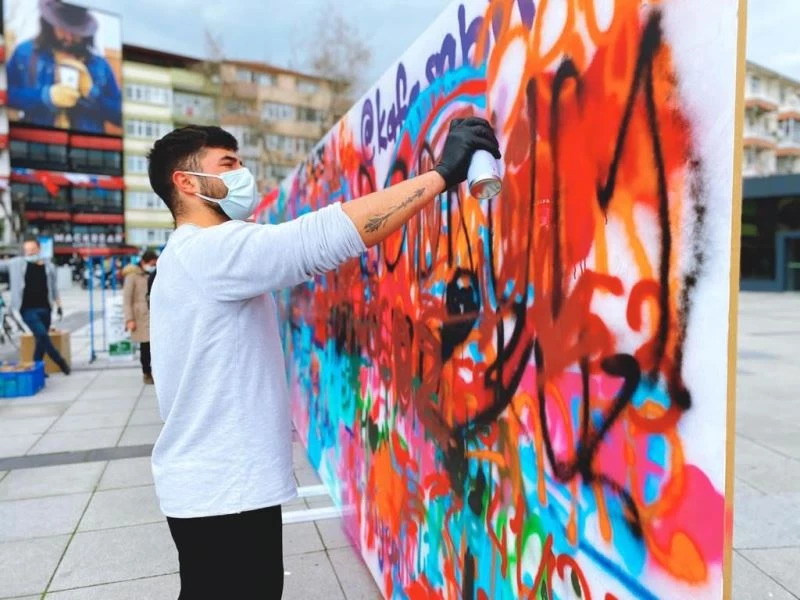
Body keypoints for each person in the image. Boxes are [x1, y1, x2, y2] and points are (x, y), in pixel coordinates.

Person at [147, 121, 500, 598]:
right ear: (186, 182)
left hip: (217, 487)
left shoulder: (190, 255)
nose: (242, 174)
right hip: (222, 492)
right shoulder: (208, 251)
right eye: (227, 164)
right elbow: (318, 239)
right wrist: (439, 176)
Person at [6, 0, 122, 133]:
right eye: (63, 27)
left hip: (87, 145)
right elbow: (7, 95)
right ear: (50, 24)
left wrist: (92, 94)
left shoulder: (100, 66)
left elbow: (120, 116)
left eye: (75, 30)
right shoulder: (25, 53)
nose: (69, 37)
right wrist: (46, 97)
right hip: (36, 142)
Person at [0, 237, 70, 374]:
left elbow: (54, 289)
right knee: (42, 335)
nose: (30, 252)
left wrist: (59, 306)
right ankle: (60, 361)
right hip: (26, 309)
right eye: (27, 250)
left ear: (39, 249)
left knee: (40, 341)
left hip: (46, 308)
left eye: (32, 249)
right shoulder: (16, 263)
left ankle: (38, 370)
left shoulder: (49, 267)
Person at [123, 251, 157, 385]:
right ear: (144, 262)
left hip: (153, 313)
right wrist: (129, 319)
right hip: (140, 316)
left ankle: (156, 372)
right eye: (151, 264)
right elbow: (127, 299)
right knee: (145, 346)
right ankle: (147, 372)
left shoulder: (153, 274)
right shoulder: (132, 276)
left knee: (155, 345)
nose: (153, 266)